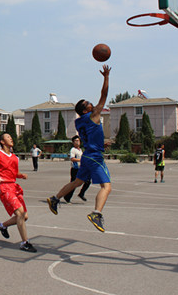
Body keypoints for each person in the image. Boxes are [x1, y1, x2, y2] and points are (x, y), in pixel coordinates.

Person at [47, 65, 112, 232]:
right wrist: (106, 77)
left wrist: (101, 144)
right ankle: (96, 213)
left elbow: (89, 136)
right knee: (106, 187)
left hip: (87, 155)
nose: (92, 103)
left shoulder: (80, 121)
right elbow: (104, 95)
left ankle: (55, 198)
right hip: (94, 157)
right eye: (88, 103)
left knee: (77, 182)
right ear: (85, 110)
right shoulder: (94, 115)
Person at [0, 133, 36, 253]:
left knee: (24, 216)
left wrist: (21, 175)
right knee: (20, 213)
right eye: (8, 137)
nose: (11, 138)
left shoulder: (15, 157)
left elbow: (14, 173)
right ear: (2, 141)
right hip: (4, 187)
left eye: (11, 137)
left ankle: (3, 225)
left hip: (14, 186)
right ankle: (25, 243)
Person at [63, 136, 91, 203]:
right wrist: (81, 160)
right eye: (76, 141)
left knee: (88, 181)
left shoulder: (80, 150)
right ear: (73, 142)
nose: (77, 142)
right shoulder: (73, 150)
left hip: (81, 169)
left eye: (78, 140)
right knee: (74, 184)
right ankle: (67, 197)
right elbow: (72, 158)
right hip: (75, 169)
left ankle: (81, 193)